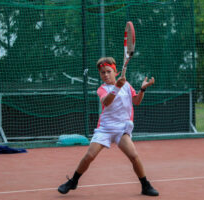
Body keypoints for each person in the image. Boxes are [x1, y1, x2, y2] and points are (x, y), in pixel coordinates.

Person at [58, 57, 159, 196]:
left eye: (108, 71)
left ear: (115, 72)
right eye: (102, 72)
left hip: (122, 129)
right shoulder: (102, 89)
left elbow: (136, 101)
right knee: (89, 156)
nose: (105, 75)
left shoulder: (127, 86)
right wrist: (117, 86)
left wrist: (142, 89)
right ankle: (73, 182)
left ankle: (145, 186)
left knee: (134, 156)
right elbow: (106, 102)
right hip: (105, 128)